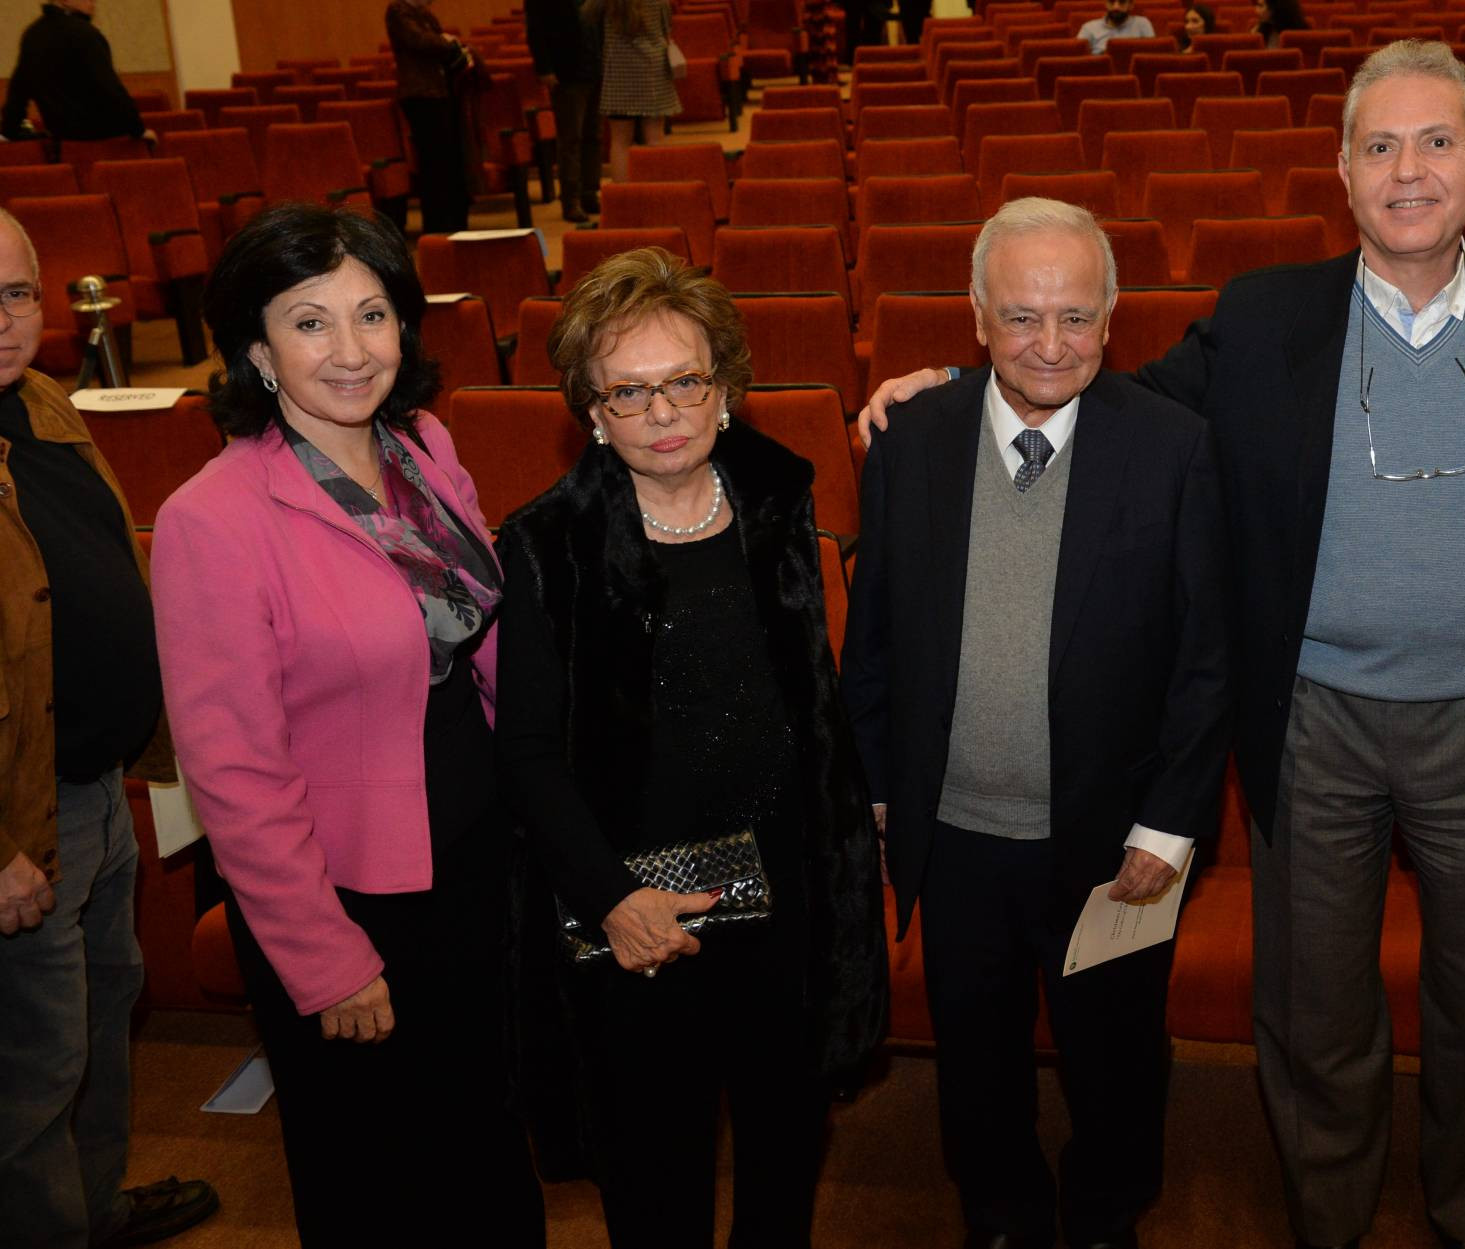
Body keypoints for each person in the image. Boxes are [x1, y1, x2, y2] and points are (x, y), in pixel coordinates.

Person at [859, 41, 1465, 1249]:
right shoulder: (1266, 315)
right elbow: (1102, 396)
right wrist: (953, 389)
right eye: (1377, 146)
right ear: (1340, 171)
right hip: (1312, 712)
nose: (1406, 171)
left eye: (1433, 144)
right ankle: (1328, 1217)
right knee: (1313, 1006)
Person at [150, 204, 545, 1248]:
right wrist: (325, 957)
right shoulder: (213, 517)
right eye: (310, 321)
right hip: (348, 896)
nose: (351, 348)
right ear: (254, 346)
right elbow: (233, 771)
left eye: (372, 314)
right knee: (375, 1181)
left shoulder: (423, 445)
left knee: (488, 1148)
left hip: (469, 853)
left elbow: (481, 638)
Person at [843, 197, 1232, 1249]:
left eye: (1072, 317)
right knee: (976, 1058)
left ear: (1110, 317)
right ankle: (1000, 1213)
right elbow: (871, 637)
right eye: (1020, 316)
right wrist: (879, 786)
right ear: (976, 314)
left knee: (1113, 1055)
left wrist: (1166, 827)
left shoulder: (1174, 448)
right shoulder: (906, 440)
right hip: (956, 833)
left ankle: (1105, 1213)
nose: (1048, 344)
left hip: (1115, 844)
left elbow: (1207, 661)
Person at [495, 246, 887, 1249]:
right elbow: (530, 753)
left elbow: (809, 703)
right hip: (637, 916)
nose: (662, 412)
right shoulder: (548, 543)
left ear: (725, 390)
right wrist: (612, 902)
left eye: (684, 381)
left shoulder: (773, 502)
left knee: (782, 1166)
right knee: (653, 1183)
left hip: (784, 905)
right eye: (629, 391)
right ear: (589, 410)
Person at [0, 208, 218, 1249]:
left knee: (102, 1011)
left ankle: (90, 1212)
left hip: (96, 782)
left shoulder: (41, 401)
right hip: (19, 821)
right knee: (35, 1059)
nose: (0, 320)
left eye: (13, 294)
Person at [1, 0, 154, 150]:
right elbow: (109, 87)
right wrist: (138, 129)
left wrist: (9, 131)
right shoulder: (85, 34)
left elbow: (19, 89)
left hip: (61, 142)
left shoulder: (33, 35)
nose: (93, 1)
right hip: (104, 140)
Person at [386, 0, 476, 234]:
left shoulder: (422, 13)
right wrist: (448, 42)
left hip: (439, 92)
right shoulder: (399, 11)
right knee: (433, 163)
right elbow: (421, 42)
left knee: (447, 161)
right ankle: (438, 224)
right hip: (420, 95)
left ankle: (452, 219)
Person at [526, 0, 603, 223]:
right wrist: (544, 68)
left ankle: (590, 193)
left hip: (595, 69)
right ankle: (571, 200)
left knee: (594, 137)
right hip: (566, 72)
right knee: (571, 140)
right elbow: (535, 31)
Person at [598, 0, 677, 185]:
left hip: (619, 70)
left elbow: (585, 18)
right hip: (653, 71)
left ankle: (623, 195)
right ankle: (656, 189)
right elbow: (667, 30)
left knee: (619, 141)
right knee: (655, 138)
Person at [1078, 0, 1156, 56]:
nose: (1116, 7)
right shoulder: (1089, 28)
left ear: (1130, 5)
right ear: (1106, 4)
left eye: (1122, 2)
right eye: (1112, 2)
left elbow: (1152, 55)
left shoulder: (1142, 24)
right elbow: (1079, 57)